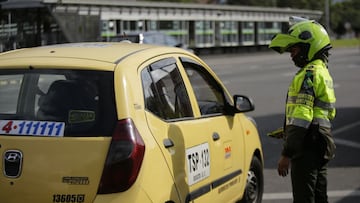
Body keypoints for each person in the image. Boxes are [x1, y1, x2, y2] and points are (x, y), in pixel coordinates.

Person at [269, 17, 337, 203]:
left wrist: (286, 154)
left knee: (304, 198)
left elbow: (302, 117)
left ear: (310, 46)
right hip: (321, 142)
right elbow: (318, 113)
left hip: (307, 145)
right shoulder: (322, 71)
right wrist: (287, 130)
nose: (292, 55)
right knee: (319, 197)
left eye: (294, 49)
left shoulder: (308, 74)